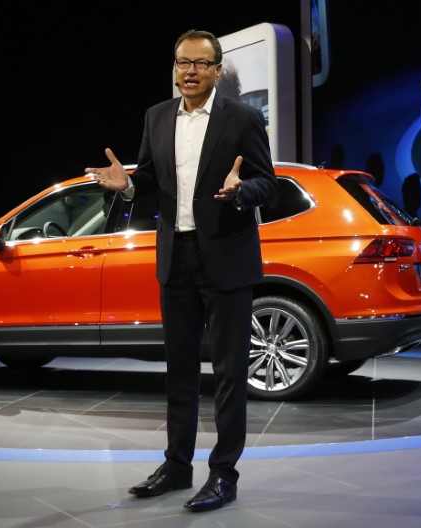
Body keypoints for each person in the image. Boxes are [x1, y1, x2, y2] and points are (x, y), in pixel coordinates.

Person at [85, 28, 277, 512]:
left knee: (231, 372)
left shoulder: (244, 119)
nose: (188, 71)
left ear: (216, 69)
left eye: (199, 63)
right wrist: (127, 185)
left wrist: (241, 193)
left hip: (228, 259)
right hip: (176, 257)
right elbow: (149, 178)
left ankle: (223, 473)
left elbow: (266, 184)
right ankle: (176, 466)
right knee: (180, 372)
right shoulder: (156, 117)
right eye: (181, 63)